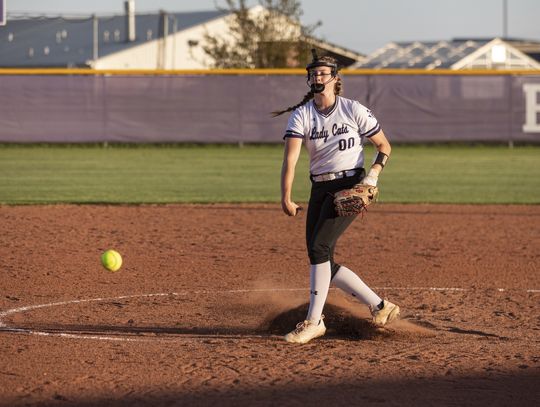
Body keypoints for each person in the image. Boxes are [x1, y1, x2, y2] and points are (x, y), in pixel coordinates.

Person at [273, 50, 400, 344]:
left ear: (335, 78)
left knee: (319, 247)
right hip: (320, 188)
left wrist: (372, 177)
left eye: (323, 73)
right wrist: (286, 197)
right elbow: (290, 160)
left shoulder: (353, 109)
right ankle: (381, 307)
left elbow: (384, 146)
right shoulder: (302, 114)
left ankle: (314, 321)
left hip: (350, 185)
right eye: (313, 73)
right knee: (322, 259)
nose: (317, 77)